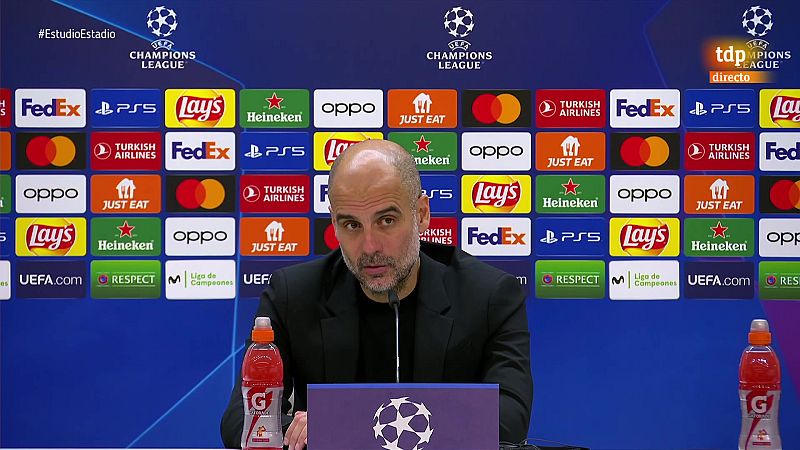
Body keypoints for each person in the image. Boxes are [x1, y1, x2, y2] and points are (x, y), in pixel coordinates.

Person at [220, 139, 533, 449]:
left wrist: (338, 424)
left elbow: (509, 418)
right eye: (352, 225)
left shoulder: (489, 296)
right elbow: (241, 420)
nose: (370, 247)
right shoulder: (293, 294)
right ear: (333, 222)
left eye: (387, 221)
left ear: (422, 214)